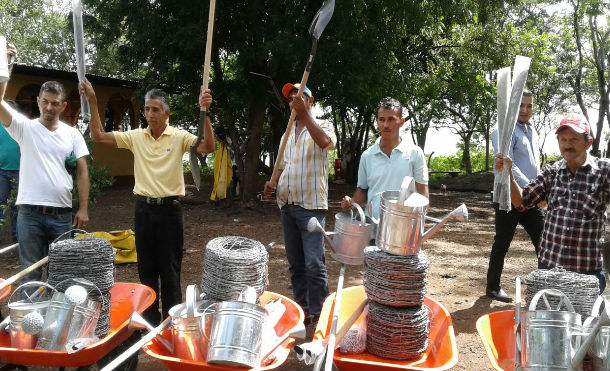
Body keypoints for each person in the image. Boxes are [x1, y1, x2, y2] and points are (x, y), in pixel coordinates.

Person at [83, 79, 215, 324]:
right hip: (143, 210)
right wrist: (92, 100)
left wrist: (204, 113)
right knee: (146, 272)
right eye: (146, 108)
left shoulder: (178, 137)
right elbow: (98, 136)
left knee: (170, 272)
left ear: (167, 113)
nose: (150, 114)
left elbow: (208, 146)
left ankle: (171, 323)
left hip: (170, 212)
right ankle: (151, 324)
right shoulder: (136, 137)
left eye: (155, 109)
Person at [0, 43, 90, 283]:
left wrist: (83, 208)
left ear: (63, 105)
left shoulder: (73, 134)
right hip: (29, 214)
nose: (49, 107)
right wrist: (6, 64)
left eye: (55, 103)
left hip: (62, 215)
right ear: (38, 101)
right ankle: (30, 319)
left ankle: (57, 320)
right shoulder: (24, 129)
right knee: (30, 273)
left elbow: (82, 172)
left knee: (62, 274)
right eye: (45, 102)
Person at [496, 113, 609, 293]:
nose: (567, 144)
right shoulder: (553, 172)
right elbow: (521, 202)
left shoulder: (604, 171)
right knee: (547, 320)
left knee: (584, 320)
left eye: (574, 139)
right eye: (563, 139)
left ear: (588, 142)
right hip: (549, 269)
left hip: (586, 273)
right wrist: (507, 173)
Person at [263, 82, 335, 326]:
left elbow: (325, 142)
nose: (293, 99)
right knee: (295, 264)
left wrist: (305, 115)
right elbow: (283, 167)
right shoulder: (287, 134)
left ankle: (320, 312)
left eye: (299, 96)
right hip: (288, 206)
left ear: (310, 101)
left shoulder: (322, 125)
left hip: (311, 205)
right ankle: (303, 310)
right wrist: (273, 184)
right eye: (291, 97)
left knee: (314, 263)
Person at [486, 90, 544, 303]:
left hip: (530, 196)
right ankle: (492, 288)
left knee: (543, 238)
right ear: (512, 107)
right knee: (502, 242)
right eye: (521, 106)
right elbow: (509, 165)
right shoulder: (502, 130)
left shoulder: (531, 131)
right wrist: (531, 187)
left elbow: (533, 165)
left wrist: (539, 187)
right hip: (507, 195)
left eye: (529, 106)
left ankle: (548, 284)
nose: (525, 110)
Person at [340, 97, 429, 227]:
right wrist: (352, 202)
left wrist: (417, 229)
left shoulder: (415, 154)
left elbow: (423, 195)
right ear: (377, 121)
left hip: (403, 229)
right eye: (382, 119)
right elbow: (363, 190)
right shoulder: (367, 156)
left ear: (401, 121)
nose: (386, 125)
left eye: (391, 119)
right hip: (371, 225)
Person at [0, 122, 20, 243]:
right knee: (1, 204)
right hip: (1, 171)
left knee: (16, 205)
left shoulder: (19, 127)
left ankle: (16, 236)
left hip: (19, 171)